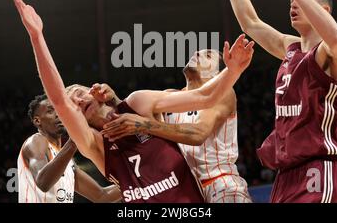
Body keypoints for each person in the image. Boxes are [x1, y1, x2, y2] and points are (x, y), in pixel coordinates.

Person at [12, 0, 253, 202]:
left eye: (79, 93)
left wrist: (232, 72)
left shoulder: (138, 102)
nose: (76, 101)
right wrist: (37, 37)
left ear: (96, 91)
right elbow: (57, 99)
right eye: (71, 104)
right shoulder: (93, 144)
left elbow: (204, 98)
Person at [198, 0, 337, 203]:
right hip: (286, 172)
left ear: (324, 11)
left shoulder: (334, 55)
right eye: (290, 3)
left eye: (299, 2)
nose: (292, 6)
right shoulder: (291, 47)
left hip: (318, 167)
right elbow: (250, 23)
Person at [99, 49, 251, 203]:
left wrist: (145, 124)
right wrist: (115, 101)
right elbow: (134, 114)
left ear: (218, 74)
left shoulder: (222, 92)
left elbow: (198, 133)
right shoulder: (169, 96)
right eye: (198, 51)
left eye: (208, 55)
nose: (197, 53)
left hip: (221, 184)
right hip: (184, 190)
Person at [18, 94, 121, 203]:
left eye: (59, 110)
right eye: (50, 111)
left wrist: (135, 180)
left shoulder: (67, 162)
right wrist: (75, 138)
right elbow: (43, 182)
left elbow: (102, 196)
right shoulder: (37, 141)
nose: (58, 114)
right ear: (37, 121)